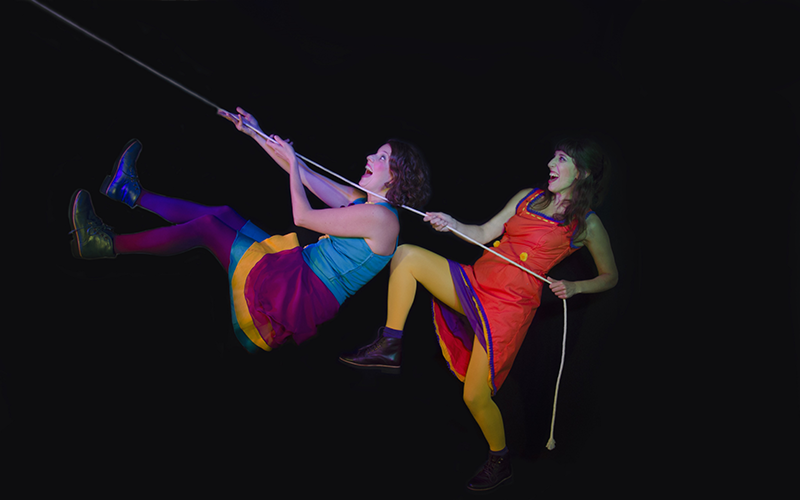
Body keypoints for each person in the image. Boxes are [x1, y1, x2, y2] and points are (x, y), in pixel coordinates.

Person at [338, 137, 618, 493]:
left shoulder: (587, 224)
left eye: (561, 159)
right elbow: (485, 233)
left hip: (509, 308)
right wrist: (452, 222)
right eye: (553, 157)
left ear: (583, 172)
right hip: (476, 282)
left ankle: (500, 459)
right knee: (407, 255)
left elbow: (611, 276)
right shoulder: (528, 198)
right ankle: (389, 344)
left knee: (474, 396)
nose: (551, 164)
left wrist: (576, 287)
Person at [68, 107, 431, 352]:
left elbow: (303, 216)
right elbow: (302, 173)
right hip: (298, 267)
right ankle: (129, 192)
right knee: (223, 214)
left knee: (207, 228)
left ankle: (104, 243)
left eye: (382, 158)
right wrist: (254, 132)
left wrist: (294, 164)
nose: (370, 158)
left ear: (395, 177)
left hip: (299, 293)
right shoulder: (363, 203)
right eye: (376, 153)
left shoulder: (384, 220)